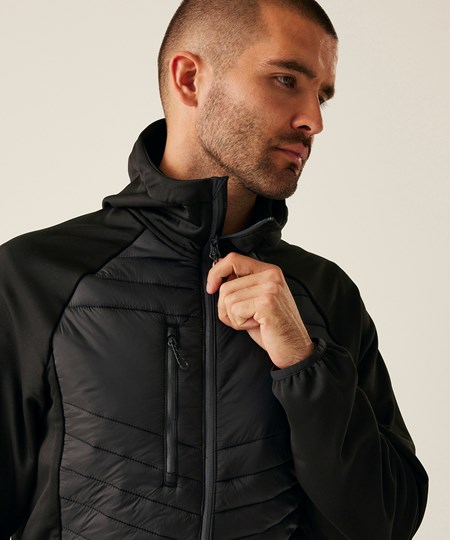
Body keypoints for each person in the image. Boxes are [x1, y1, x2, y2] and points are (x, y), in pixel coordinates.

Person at [0, 0, 428, 538]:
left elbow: (387, 524)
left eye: (321, 96)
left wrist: (305, 363)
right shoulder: (37, 279)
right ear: (189, 79)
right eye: (286, 80)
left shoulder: (324, 294)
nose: (314, 121)